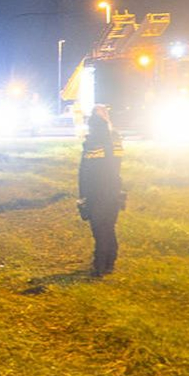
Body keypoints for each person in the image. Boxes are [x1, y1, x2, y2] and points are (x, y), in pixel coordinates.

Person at [77, 105, 125, 277]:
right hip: (115, 188)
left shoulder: (93, 142)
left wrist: (83, 195)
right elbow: (117, 165)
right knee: (109, 226)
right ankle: (110, 261)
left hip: (97, 191)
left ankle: (100, 264)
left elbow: (86, 171)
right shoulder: (116, 138)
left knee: (99, 228)